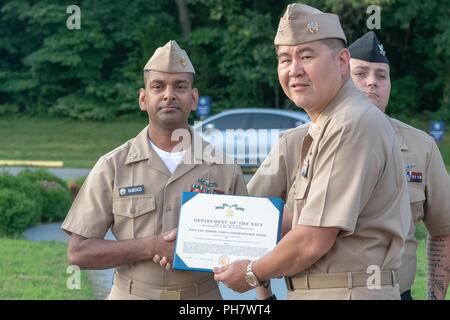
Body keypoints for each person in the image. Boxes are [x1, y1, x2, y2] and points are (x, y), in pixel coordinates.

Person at [213, 3, 411, 300]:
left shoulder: (350, 123)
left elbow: (313, 240)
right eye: (284, 59)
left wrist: (252, 272)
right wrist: (205, 225)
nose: (294, 70)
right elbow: (295, 219)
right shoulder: (328, 125)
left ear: (342, 61)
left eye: (307, 56)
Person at [62, 40, 247, 300]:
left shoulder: (225, 168)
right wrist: (150, 246)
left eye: (180, 86)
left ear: (193, 98)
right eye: (158, 86)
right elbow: (78, 253)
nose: (169, 95)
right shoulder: (112, 166)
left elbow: (249, 247)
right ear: (143, 98)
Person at [348, 31, 450, 300]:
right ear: (340, 78)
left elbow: (444, 229)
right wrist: (265, 297)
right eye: (360, 73)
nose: (372, 82)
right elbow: (264, 220)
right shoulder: (303, 142)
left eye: (381, 76)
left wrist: (434, 297)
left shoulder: (421, 147)